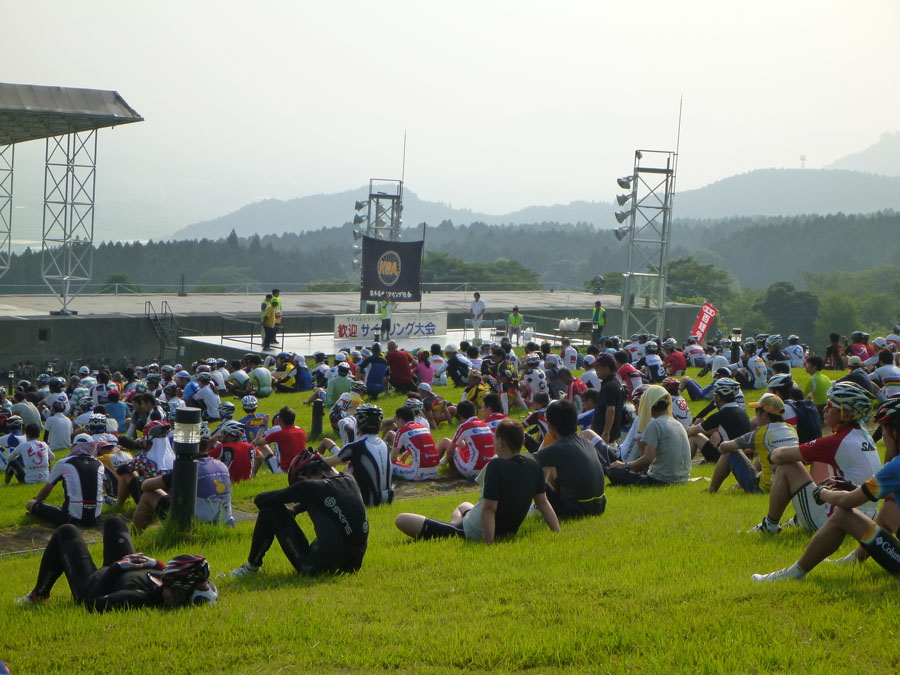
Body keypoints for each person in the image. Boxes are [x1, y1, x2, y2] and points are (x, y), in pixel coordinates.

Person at [752, 396, 900, 582]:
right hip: (873, 510)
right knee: (890, 506)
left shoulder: (895, 467)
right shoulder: (865, 440)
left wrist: (823, 493)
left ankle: (793, 574)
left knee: (843, 515)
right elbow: (889, 495)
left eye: (884, 431)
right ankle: (852, 560)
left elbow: (848, 501)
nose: (883, 438)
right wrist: (853, 487)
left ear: (895, 433)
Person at [395, 419, 560, 543]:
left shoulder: (496, 465)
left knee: (401, 519)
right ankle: (455, 522)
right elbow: (543, 504)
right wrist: (557, 532)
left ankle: (453, 527)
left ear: (500, 442)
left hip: (473, 532)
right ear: (523, 441)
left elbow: (489, 509)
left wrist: (488, 544)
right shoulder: (534, 466)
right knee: (464, 505)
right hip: (501, 528)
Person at [750, 382, 882, 534]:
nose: (824, 409)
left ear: (846, 414)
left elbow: (779, 455)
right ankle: (798, 520)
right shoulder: (864, 437)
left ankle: (770, 525)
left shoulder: (838, 441)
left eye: (830, 405)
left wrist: (772, 458)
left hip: (841, 518)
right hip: (865, 517)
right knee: (819, 461)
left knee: (787, 466)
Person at [15, 516, 217, 609]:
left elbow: (92, 603)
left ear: (178, 594)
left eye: (169, 582)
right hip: (120, 569)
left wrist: (117, 567)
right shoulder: (172, 584)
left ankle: (39, 594)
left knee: (66, 531)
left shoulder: (138, 597)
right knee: (115, 522)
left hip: (93, 584)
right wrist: (155, 564)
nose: (165, 580)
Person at [231, 449, 369, 579]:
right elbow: (327, 497)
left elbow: (260, 500)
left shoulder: (308, 486)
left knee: (269, 510)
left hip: (316, 569)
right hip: (353, 566)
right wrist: (295, 510)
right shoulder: (349, 480)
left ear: (303, 478)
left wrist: (296, 493)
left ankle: (251, 568)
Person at [132, 437, 233, 531]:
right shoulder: (222, 465)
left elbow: (146, 486)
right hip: (226, 524)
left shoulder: (187, 468)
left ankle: (134, 536)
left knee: (148, 495)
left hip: (194, 525)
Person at [706, 393, 798, 494]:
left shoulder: (760, 434)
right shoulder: (791, 429)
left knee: (729, 452)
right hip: (789, 485)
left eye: (756, 411)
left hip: (765, 488)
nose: (755, 416)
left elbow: (725, 446)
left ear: (764, 414)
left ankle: (711, 490)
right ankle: (735, 488)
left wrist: (720, 448)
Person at [606, 385, 691, 486]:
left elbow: (648, 458)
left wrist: (625, 465)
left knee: (613, 472)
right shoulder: (677, 423)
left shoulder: (654, 425)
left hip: (662, 480)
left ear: (648, 405)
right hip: (682, 479)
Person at [535, 400, 606, 518]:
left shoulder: (559, 447)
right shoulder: (586, 442)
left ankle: (537, 507)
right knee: (553, 464)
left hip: (575, 510)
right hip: (599, 506)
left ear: (551, 426)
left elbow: (527, 461)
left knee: (533, 471)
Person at [326, 404, 393, 506]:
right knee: (348, 467)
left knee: (333, 469)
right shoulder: (385, 445)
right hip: (388, 498)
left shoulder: (354, 447)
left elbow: (328, 462)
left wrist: (316, 458)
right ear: (380, 425)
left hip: (365, 501)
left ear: (357, 425)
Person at [26, 440, 104, 526]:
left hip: (70, 518)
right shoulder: (99, 464)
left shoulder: (64, 462)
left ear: (74, 447)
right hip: (95, 517)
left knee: (30, 504)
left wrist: (36, 500)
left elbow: (46, 490)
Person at [685, 378, 751, 463]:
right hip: (745, 455)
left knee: (695, 436)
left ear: (718, 397)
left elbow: (691, 431)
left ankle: (682, 463)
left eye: (714, 395)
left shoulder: (720, 415)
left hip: (728, 457)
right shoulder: (742, 412)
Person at [437, 400, 495, 480]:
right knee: (461, 443)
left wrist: (443, 462)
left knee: (445, 442)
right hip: (487, 470)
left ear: (460, 415)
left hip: (472, 471)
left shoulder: (464, 426)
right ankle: (452, 470)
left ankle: (434, 466)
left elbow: (450, 450)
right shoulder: (484, 424)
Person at [390, 406, 440, 481]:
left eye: (396, 420)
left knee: (389, 463)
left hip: (417, 474)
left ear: (401, 420)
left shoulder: (401, 431)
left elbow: (392, 458)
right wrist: (407, 453)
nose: (396, 423)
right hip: (434, 471)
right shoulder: (423, 426)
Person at [252, 406, 306, 476]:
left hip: (284, 470)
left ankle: (253, 473)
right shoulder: (302, 431)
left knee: (261, 446)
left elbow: (257, 442)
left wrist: (263, 424)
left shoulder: (279, 433)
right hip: (301, 468)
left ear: (280, 420)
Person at [590, 354, 624, 447]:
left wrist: (606, 433)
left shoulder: (610, 386)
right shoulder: (614, 382)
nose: (595, 370)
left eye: (598, 367)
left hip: (604, 435)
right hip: (610, 433)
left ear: (607, 369)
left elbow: (611, 410)